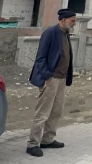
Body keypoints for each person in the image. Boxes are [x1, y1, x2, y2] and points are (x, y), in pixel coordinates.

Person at [26, 9, 77, 157]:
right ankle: (32, 144)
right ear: (63, 20)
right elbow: (40, 58)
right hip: (51, 79)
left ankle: (47, 140)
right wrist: (47, 76)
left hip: (61, 79)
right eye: (72, 20)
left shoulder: (65, 34)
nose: (74, 23)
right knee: (42, 113)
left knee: (56, 111)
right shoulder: (50, 33)